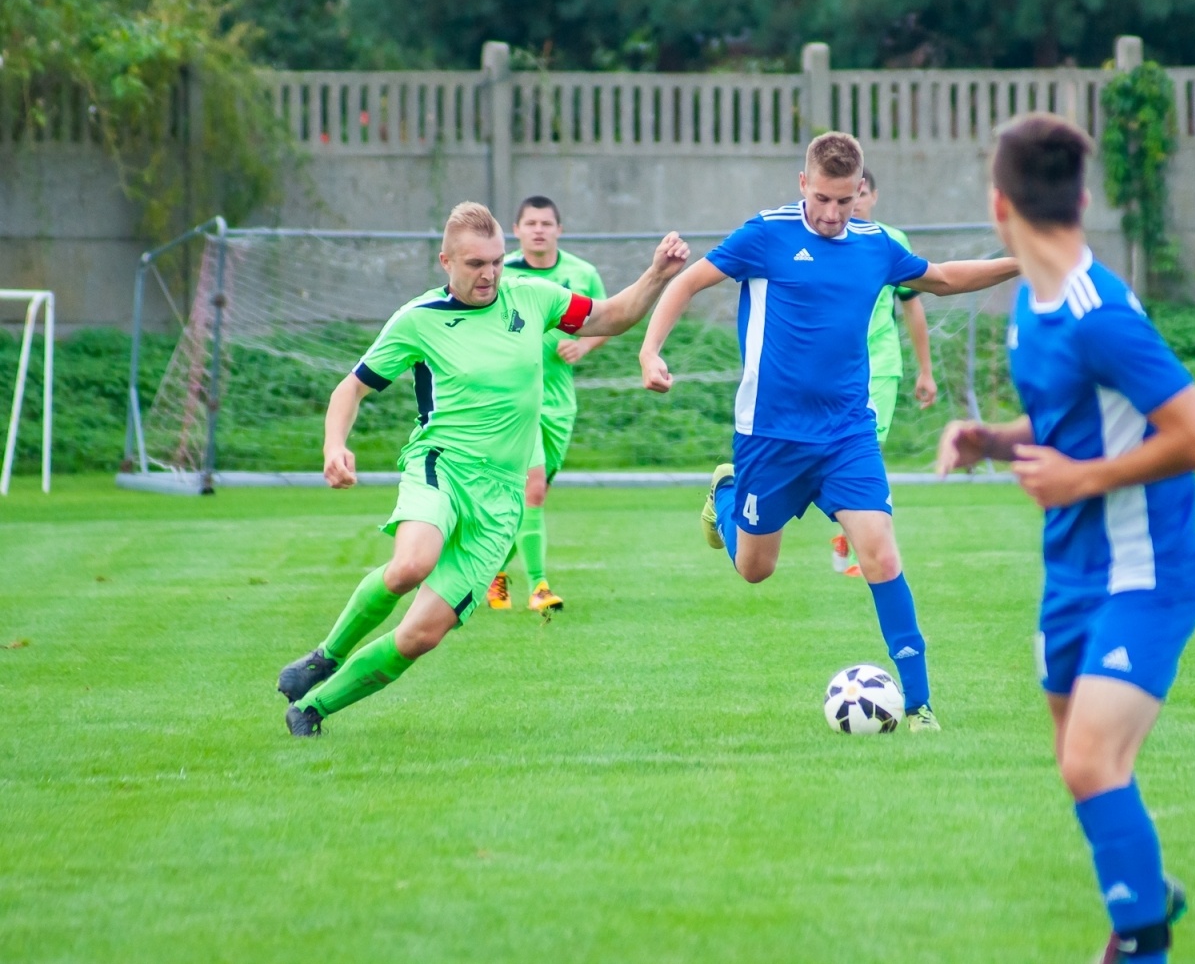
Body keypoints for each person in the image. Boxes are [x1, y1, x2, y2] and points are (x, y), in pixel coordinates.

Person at [935, 114, 1195, 962]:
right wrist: (994, 440)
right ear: (1082, 199)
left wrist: (1079, 480)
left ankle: (1141, 940)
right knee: (1083, 764)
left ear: (998, 204)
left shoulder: (1101, 315)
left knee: (1091, 765)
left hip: (1146, 569)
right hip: (1071, 569)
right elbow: (1077, 423)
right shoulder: (1032, 297)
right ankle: (1149, 886)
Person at [639, 132, 1018, 733]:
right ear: (802, 186)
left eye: (845, 201)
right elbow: (687, 283)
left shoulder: (876, 246)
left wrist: (1026, 259)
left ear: (859, 192)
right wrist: (650, 351)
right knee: (755, 569)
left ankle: (919, 705)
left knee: (881, 555)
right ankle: (728, 493)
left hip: (846, 435)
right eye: (822, 199)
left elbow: (944, 278)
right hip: (770, 437)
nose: (832, 214)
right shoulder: (766, 234)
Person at [277, 202, 688, 736]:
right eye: (475, 264)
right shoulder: (418, 320)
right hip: (441, 467)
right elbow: (351, 387)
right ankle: (325, 655)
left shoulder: (533, 297)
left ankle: (314, 708)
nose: (490, 274)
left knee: (421, 636)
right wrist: (335, 445)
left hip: (500, 500)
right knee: (410, 566)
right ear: (445, 261)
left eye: (495, 261)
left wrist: (657, 274)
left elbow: (611, 316)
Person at [487, 195, 609, 617]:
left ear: (559, 229)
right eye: (530, 223)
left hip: (559, 403)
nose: (538, 230)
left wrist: (585, 345)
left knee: (530, 498)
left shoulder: (582, 273)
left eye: (546, 223)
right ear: (516, 230)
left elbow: (607, 320)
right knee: (532, 490)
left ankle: (491, 571)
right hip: (513, 403)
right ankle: (539, 586)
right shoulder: (501, 274)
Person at [830, 167, 938, 577]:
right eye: (845, 196)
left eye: (859, 194)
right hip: (837, 371)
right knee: (837, 452)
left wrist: (925, 371)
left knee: (866, 452)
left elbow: (913, 305)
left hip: (881, 366)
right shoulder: (825, 241)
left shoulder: (892, 242)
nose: (853, 203)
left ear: (872, 196)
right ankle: (847, 521)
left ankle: (861, 551)